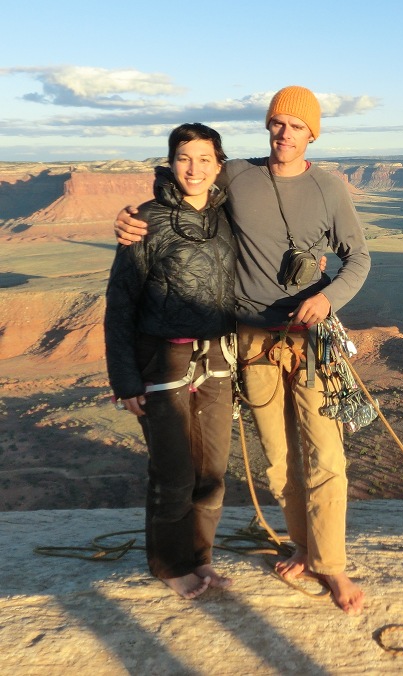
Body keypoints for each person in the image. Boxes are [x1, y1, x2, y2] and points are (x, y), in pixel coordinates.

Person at [115, 86, 371, 614]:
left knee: (324, 453)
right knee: (277, 458)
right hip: (251, 341)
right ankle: (303, 545)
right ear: (267, 128)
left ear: (312, 133)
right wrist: (132, 216)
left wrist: (327, 297)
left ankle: (333, 564)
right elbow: (190, 177)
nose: (284, 134)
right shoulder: (240, 176)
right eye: (276, 123)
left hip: (310, 341)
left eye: (296, 126)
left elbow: (359, 259)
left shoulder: (330, 188)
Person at [105, 123, 236, 599]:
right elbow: (120, 304)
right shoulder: (146, 220)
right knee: (174, 472)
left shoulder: (228, 216)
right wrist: (124, 379)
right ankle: (169, 565)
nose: (194, 168)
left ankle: (200, 559)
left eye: (204, 158)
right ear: (170, 162)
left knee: (212, 473)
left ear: (218, 164)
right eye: (184, 157)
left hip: (217, 356)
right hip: (162, 359)